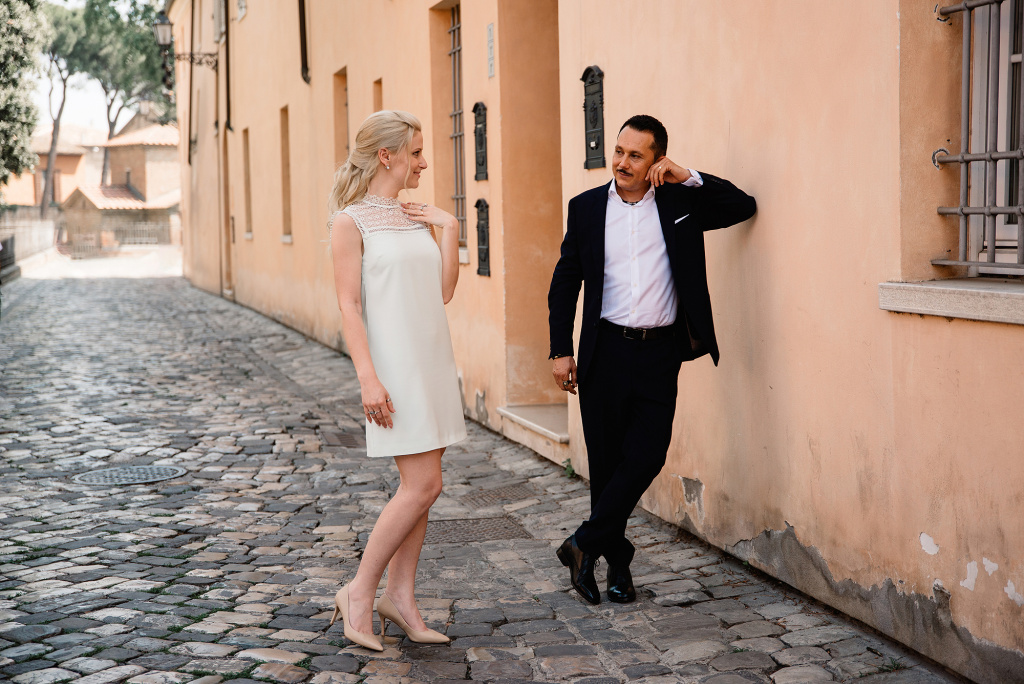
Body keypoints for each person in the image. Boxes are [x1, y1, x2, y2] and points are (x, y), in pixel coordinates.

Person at [547, 114, 756, 604]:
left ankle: (582, 543)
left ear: (656, 161)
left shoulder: (681, 202)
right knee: (607, 464)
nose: (622, 162)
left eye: (635, 155)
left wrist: (690, 176)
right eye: (619, 151)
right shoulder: (585, 208)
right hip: (604, 350)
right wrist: (561, 350)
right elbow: (565, 281)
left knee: (647, 454)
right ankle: (616, 566)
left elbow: (742, 206)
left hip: (660, 352)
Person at [327, 110, 466, 649]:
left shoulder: (416, 216)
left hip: (432, 363)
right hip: (394, 369)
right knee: (423, 485)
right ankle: (359, 592)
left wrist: (448, 227)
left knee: (424, 488)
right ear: (386, 156)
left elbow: (444, 291)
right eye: (416, 152)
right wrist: (368, 378)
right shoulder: (350, 222)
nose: (424, 162)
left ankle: (400, 598)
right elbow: (349, 305)